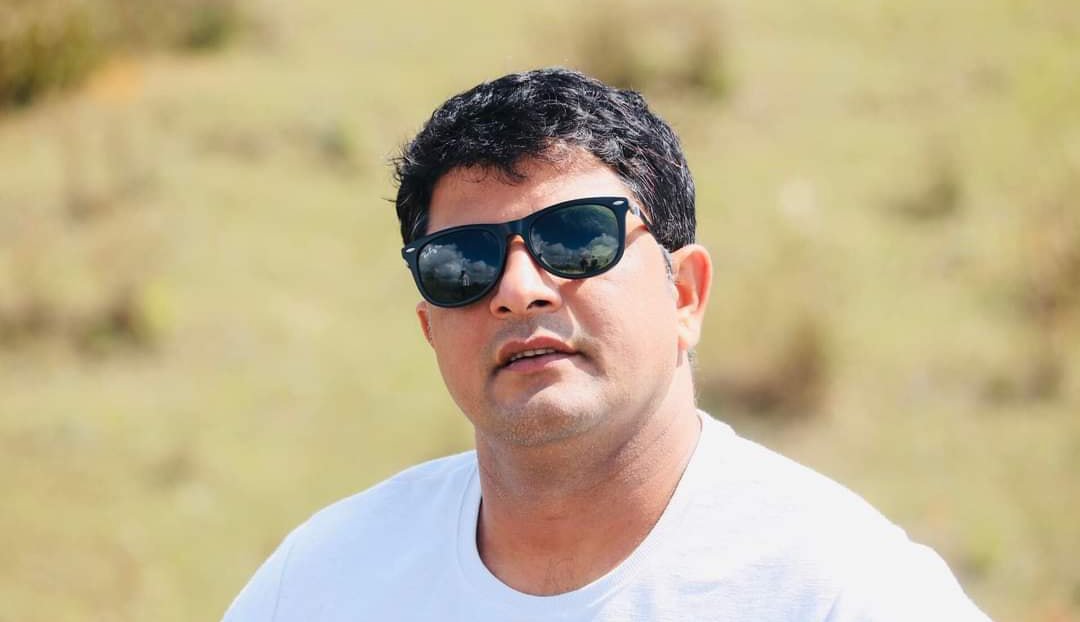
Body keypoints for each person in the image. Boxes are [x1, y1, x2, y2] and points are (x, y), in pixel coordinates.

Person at [223, 68, 992, 621]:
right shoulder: (322, 584)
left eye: (575, 238)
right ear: (430, 328)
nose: (518, 288)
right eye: (463, 263)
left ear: (685, 294)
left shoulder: (839, 590)